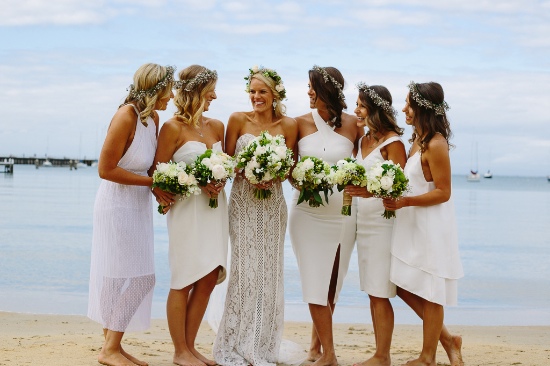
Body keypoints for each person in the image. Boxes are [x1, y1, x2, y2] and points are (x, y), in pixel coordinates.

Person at [87, 63, 175, 366]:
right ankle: (110, 348)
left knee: (117, 278)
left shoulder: (154, 119)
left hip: (138, 204)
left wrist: (163, 189)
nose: (173, 95)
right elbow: (105, 169)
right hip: (116, 204)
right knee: (140, 278)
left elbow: (150, 168)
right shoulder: (126, 116)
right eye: (169, 89)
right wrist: (152, 182)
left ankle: (112, 346)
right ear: (155, 88)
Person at [212, 66, 299, 366]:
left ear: (275, 94)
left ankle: (263, 342)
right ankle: (236, 341)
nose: (256, 97)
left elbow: (291, 169)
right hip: (243, 202)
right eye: (252, 91)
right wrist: (248, 171)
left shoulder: (288, 125)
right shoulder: (237, 120)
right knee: (246, 269)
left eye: (262, 91)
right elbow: (224, 162)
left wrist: (272, 173)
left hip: (274, 204)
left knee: (270, 272)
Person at [383, 81, 464, 366]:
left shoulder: (437, 143)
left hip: (431, 225)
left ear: (422, 108)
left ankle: (427, 357)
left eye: (408, 103)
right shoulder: (418, 138)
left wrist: (405, 202)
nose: (404, 108)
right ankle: (448, 339)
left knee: (431, 292)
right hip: (412, 223)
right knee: (403, 285)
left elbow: (444, 192)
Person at [152, 65, 227, 366]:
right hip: (187, 211)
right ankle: (179, 351)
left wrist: (220, 180)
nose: (216, 96)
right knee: (184, 277)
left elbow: (225, 165)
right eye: (211, 91)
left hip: (215, 209)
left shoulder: (217, 127)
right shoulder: (172, 127)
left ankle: (191, 347)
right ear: (197, 91)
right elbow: (157, 174)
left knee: (209, 276)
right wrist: (195, 181)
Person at [288, 65, 363, 366]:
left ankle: (315, 347)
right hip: (307, 213)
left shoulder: (354, 124)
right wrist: (303, 181)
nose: (307, 92)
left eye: (311, 86)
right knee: (314, 281)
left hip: (344, 212)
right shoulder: (298, 123)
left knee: (333, 282)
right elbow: (290, 172)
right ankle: (330, 355)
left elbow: (365, 163)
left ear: (326, 90)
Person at [344, 83, 406, 366]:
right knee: (373, 289)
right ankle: (381, 352)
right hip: (362, 221)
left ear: (376, 109)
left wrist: (370, 192)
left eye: (361, 105)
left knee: (380, 291)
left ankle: (383, 356)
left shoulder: (393, 143)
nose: (355, 110)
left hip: (383, 223)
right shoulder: (362, 141)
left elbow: (400, 188)